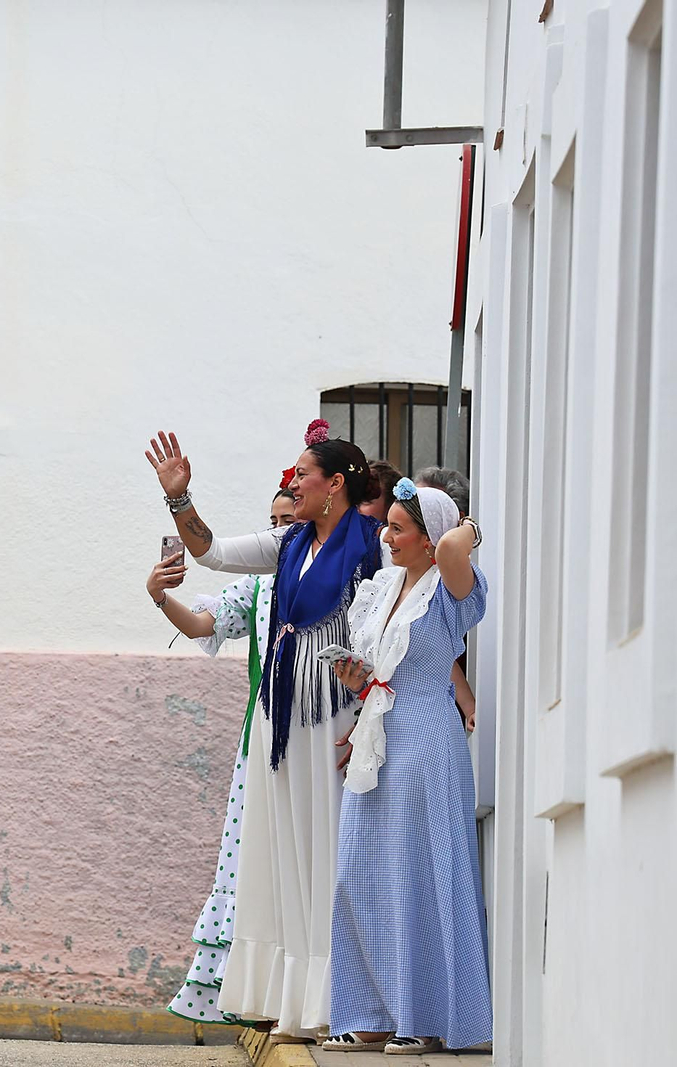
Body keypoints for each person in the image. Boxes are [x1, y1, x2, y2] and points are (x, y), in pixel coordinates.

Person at [147, 419, 383, 1042]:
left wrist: (370, 713)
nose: (294, 483)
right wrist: (179, 497)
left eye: (303, 474)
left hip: (335, 717)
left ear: (335, 484)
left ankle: (343, 1003)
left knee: (329, 853)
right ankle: (296, 1002)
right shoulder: (288, 543)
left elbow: (388, 628)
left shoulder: (371, 547)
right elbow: (211, 552)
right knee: (283, 856)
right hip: (281, 720)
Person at [323, 480, 489, 1055]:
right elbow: (380, 669)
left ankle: (424, 1016)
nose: (386, 537)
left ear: (429, 538)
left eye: (398, 528)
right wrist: (357, 679)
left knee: (418, 875)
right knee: (361, 873)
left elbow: (453, 548)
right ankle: (371, 1013)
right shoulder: (384, 587)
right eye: (387, 526)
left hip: (426, 743)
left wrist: (467, 526)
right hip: (379, 738)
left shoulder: (451, 586)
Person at [148, 486, 296, 1026]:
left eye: (289, 519)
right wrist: (159, 596)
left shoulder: (341, 578)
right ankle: (259, 992)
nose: (280, 530)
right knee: (255, 859)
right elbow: (201, 626)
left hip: (321, 733)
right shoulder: (256, 587)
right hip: (264, 737)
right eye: (273, 521)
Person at [414, 466, 477, 732]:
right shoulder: (391, 578)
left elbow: (440, 648)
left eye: (424, 512)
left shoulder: (458, 575)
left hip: (441, 715)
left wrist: (471, 528)